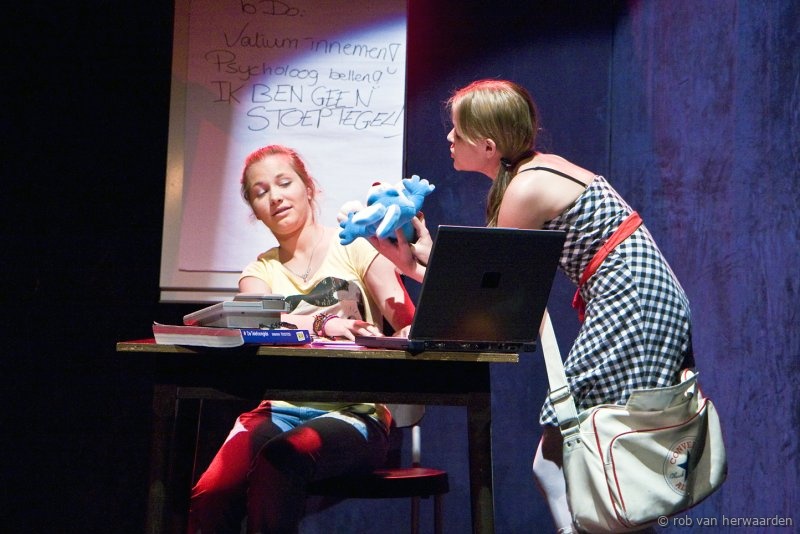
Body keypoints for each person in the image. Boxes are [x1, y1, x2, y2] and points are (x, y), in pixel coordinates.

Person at [371, 79, 693, 533]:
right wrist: (419, 258)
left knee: (578, 455)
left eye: (458, 130)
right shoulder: (535, 172)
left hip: (634, 308)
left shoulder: (524, 189)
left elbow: (490, 295)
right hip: (643, 303)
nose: (449, 137)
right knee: (591, 456)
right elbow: (488, 282)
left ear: (487, 146)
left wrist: (411, 265)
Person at [188, 145, 415, 534]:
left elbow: (406, 321)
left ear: (309, 188)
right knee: (212, 492)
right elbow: (257, 320)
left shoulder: (356, 247)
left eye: (284, 183)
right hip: (279, 410)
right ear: (254, 209)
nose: (275, 197)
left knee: (281, 461)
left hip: (354, 412)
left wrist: (403, 325)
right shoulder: (260, 270)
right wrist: (323, 322)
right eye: (260, 192)